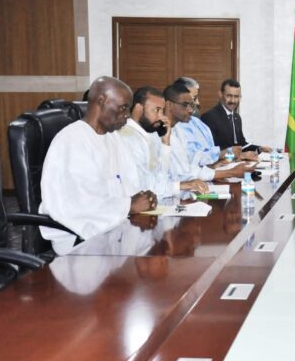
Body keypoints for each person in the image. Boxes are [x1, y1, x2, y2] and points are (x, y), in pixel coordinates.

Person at [39, 76, 157, 255]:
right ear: (101, 101)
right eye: (123, 107)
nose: (127, 114)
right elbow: (79, 204)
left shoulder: (113, 137)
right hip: (80, 239)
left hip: (114, 227)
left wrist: (144, 197)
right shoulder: (72, 140)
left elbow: (131, 182)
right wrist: (129, 206)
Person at [119, 86, 208, 198]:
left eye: (162, 111)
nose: (161, 117)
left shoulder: (146, 135)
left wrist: (165, 143)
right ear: (138, 109)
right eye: (156, 110)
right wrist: (182, 185)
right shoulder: (129, 138)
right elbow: (146, 187)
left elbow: (161, 176)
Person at [164, 83, 249, 181]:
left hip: (200, 178)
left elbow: (191, 163)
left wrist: (213, 165)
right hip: (181, 186)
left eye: (191, 104)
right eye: (185, 105)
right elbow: (181, 173)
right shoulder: (161, 132)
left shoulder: (179, 128)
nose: (191, 110)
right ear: (169, 105)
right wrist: (229, 172)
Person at [201, 78, 271, 154]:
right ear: (220, 94)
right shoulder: (209, 117)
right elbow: (209, 149)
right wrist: (231, 152)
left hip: (236, 161)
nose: (233, 101)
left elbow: (241, 145)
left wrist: (259, 149)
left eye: (236, 96)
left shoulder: (237, 117)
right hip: (221, 161)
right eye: (229, 96)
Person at [172, 76, 226, 165]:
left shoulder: (197, 122)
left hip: (212, 167)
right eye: (194, 98)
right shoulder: (174, 126)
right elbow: (191, 158)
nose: (197, 103)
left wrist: (228, 155)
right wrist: (221, 155)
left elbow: (209, 150)